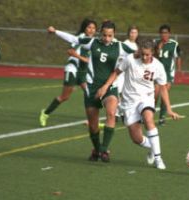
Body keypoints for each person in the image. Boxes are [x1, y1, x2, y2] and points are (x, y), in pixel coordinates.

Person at [57, 20, 135, 162]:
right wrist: (56, 31)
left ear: (114, 34)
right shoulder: (92, 42)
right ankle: (97, 150)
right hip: (92, 88)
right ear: (100, 34)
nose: (107, 38)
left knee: (111, 113)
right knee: (93, 125)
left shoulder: (120, 46)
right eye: (104, 35)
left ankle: (104, 150)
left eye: (110, 36)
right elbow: (73, 39)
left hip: (110, 86)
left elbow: (139, 54)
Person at [96, 39, 181, 170]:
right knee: (137, 139)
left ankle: (158, 159)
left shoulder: (158, 66)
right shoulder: (130, 59)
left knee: (148, 119)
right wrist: (106, 86)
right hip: (129, 102)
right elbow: (116, 72)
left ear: (153, 53)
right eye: (143, 54)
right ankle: (153, 147)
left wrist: (169, 109)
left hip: (146, 99)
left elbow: (163, 88)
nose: (145, 57)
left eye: (148, 54)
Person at [39, 19, 97, 127]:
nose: (91, 30)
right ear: (85, 28)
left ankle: (91, 121)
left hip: (82, 72)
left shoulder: (92, 40)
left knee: (90, 94)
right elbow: (70, 51)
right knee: (64, 97)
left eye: (94, 28)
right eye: (89, 27)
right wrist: (83, 59)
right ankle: (45, 113)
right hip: (72, 69)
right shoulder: (81, 38)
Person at [154, 24, 182, 126]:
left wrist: (179, 69)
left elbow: (178, 56)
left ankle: (162, 118)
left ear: (169, 34)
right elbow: (152, 56)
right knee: (154, 96)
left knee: (164, 96)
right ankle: (149, 115)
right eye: (162, 33)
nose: (163, 35)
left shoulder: (174, 44)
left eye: (166, 33)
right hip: (156, 74)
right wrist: (158, 49)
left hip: (168, 74)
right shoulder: (156, 43)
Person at [114, 25, 139, 121]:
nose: (133, 34)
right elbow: (120, 59)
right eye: (132, 32)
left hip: (131, 74)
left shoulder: (137, 46)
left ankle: (122, 112)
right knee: (119, 92)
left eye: (135, 32)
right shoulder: (125, 44)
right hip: (122, 73)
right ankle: (116, 113)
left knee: (127, 94)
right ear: (128, 33)